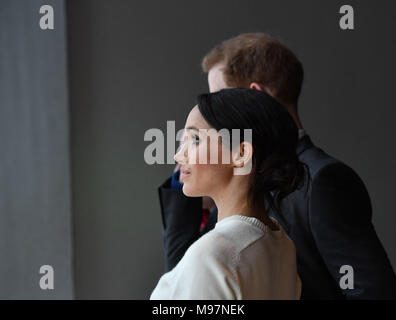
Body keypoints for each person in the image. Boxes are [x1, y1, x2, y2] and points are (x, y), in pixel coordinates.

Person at [158, 33, 396, 299]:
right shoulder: (234, 193)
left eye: (221, 98)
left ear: (252, 98)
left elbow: (372, 291)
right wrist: (189, 174)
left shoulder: (323, 181)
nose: (209, 109)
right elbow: (187, 276)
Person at [151, 88, 305, 299]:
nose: (179, 155)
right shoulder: (282, 245)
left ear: (241, 154)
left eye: (195, 139)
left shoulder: (213, 255)